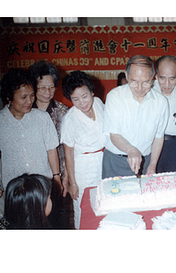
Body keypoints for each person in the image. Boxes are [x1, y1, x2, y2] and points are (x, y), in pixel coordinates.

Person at [102, 55, 169, 178]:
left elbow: (159, 137)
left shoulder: (161, 102)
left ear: (152, 78)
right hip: (116, 161)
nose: (139, 88)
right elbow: (114, 134)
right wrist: (131, 150)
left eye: (145, 82)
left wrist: (152, 165)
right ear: (126, 76)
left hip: (146, 161)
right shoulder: (114, 97)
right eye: (134, 81)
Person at [0, 68, 62, 199]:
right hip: (13, 189)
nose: (29, 101)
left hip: (42, 185)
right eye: (23, 97)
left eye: (32, 95)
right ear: (9, 97)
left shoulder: (42, 117)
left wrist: (56, 177)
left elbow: (51, 150)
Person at [61, 70, 106, 229]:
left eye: (85, 96)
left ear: (92, 92)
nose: (82, 103)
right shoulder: (69, 119)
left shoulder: (99, 103)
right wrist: (72, 183)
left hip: (104, 161)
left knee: (104, 203)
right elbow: (68, 152)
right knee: (84, 207)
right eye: (75, 99)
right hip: (83, 168)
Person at [29, 60, 70, 228]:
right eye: (42, 88)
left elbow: (69, 148)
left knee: (58, 222)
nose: (48, 92)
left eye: (52, 87)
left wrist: (66, 177)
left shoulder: (63, 112)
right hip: (31, 178)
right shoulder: (24, 111)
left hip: (56, 179)